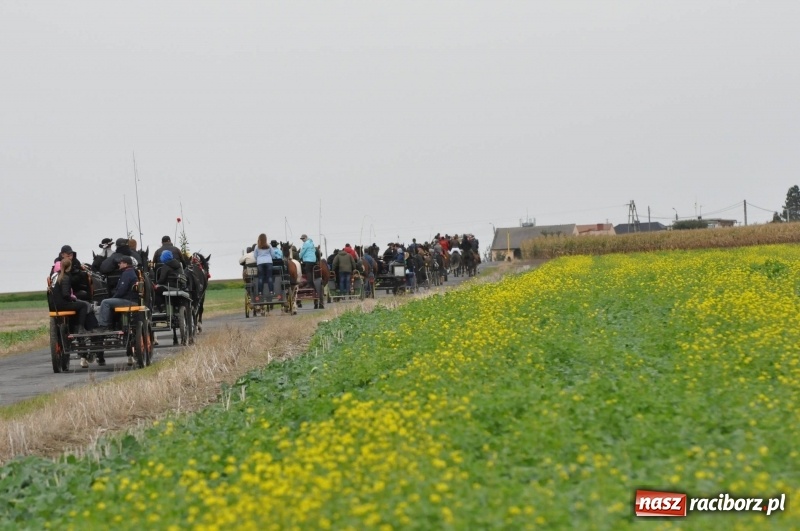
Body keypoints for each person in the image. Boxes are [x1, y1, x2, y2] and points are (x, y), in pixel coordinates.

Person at [96, 257, 139, 332]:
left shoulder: (127, 274)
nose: (119, 264)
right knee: (109, 302)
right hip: (130, 299)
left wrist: (113, 298)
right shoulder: (130, 272)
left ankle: (103, 326)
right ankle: (112, 325)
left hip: (129, 301)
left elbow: (121, 291)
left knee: (105, 302)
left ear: (125, 264)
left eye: (120, 263)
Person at [299, 234, 323, 308]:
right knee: (312, 272)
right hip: (313, 260)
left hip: (308, 260)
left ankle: (309, 283)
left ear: (306, 238)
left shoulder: (306, 244)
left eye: (303, 238)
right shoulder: (311, 243)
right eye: (301, 239)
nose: (302, 240)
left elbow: (302, 252)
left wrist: (299, 256)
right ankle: (313, 282)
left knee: (308, 271)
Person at [254, 233, 274, 301]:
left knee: (260, 278)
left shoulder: (257, 246)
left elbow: (255, 256)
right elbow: (273, 254)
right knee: (269, 277)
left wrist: (259, 259)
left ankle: (260, 292)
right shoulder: (269, 246)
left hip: (260, 263)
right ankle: (271, 291)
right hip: (268, 262)